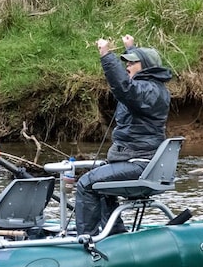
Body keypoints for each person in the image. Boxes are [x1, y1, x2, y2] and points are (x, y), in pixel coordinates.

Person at [74, 34, 172, 236]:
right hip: (140, 162)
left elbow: (124, 87)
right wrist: (130, 48)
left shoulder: (147, 91)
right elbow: (133, 79)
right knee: (100, 181)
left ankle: (85, 240)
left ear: (144, 67)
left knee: (86, 184)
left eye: (132, 63)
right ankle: (115, 234)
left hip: (140, 164)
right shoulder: (152, 88)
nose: (127, 66)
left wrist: (106, 55)